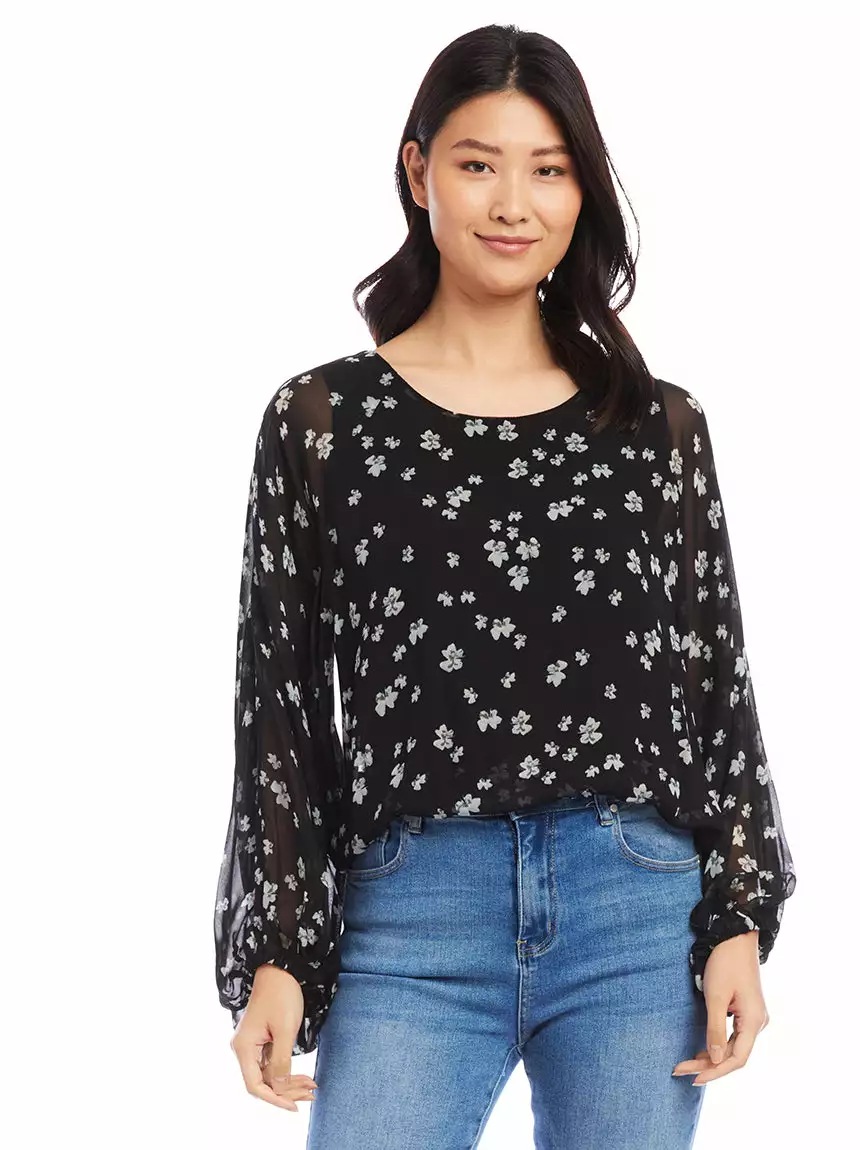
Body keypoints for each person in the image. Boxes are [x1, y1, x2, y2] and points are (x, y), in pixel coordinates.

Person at [213, 22, 796, 1149]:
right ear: (417, 169)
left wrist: (734, 914)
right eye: (479, 163)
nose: (513, 204)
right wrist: (280, 947)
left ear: (583, 191)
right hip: (410, 912)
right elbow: (278, 700)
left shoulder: (655, 425)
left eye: (550, 169)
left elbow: (713, 679)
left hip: (634, 905)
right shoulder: (323, 422)